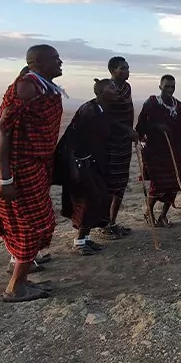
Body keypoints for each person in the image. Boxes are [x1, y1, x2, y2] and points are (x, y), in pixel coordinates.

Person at [0, 44, 64, 302]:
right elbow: (2, 130)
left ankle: (21, 280)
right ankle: (15, 288)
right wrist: (5, 177)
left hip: (32, 165)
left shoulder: (41, 85)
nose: (60, 62)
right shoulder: (27, 85)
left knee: (37, 222)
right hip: (19, 168)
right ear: (37, 63)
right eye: (55, 59)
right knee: (30, 225)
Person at [57, 79, 137, 255]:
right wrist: (73, 167)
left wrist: (127, 130)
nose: (116, 90)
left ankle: (84, 239)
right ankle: (79, 242)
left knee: (98, 198)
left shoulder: (101, 109)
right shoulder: (89, 111)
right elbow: (72, 139)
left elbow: (111, 123)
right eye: (111, 87)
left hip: (92, 162)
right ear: (99, 92)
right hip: (81, 164)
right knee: (89, 199)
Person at [136, 75, 181, 227]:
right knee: (158, 185)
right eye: (167, 87)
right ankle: (149, 212)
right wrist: (156, 127)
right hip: (156, 151)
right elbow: (141, 126)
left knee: (175, 185)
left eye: (173, 86)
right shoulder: (151, 103)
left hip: (174, 150)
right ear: (160, 87)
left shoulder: (177, 105)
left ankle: (163, 215)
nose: (170, 90)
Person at [104, 56, 137, 238]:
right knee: (110, 183)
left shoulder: (126, 88)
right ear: (113, 70)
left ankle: (112, 221)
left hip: (124, 142)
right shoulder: (108, 89)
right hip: (111, 143)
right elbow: (106, 117)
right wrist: (126, 129)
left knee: (121, 183)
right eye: (123, 68)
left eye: (127, 67)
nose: (127, 71)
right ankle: (104, 223)